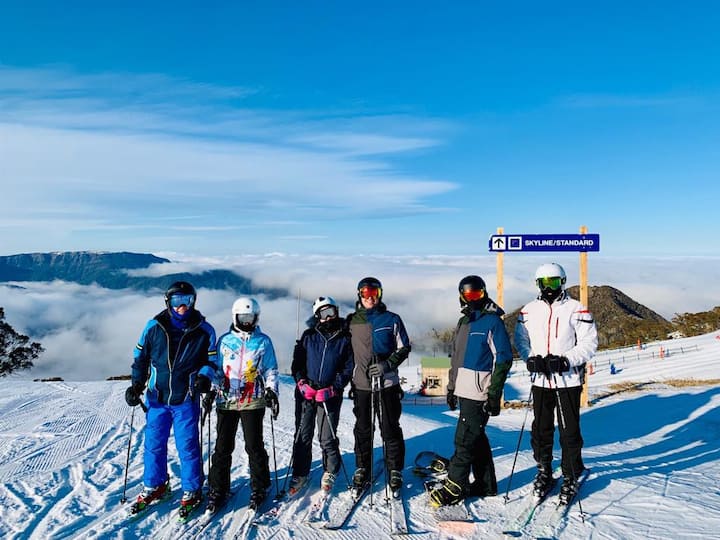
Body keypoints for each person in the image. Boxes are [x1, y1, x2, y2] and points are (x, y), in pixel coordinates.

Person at [125, 281, 218, 518]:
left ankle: (192, 489)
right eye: (177, 302)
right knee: (153, 444)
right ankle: (155, 485)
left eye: (187, 301)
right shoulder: (153, 327)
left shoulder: (204, 330)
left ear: (193, 302)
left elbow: (211, 361)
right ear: (168, 303)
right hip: (157, 398)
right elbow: (140, 357)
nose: (182, 307)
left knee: (187, 445)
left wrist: (205, 377)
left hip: (185, 398)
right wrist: (136, 384)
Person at [514, 263, 598, 504]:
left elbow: (589, 342)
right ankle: (544, 470)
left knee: (569, 430)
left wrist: (565, 361)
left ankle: (571, 473)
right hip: (541, 381)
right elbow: (521, 339)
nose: (549, 288)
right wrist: (530, 359)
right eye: (544, 283)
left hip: (567, 380)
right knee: (541, 429)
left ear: (562, 282)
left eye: (554, 282)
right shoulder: (529, 310)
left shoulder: (576, 309)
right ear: (538, 284)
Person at [429, 275, 513, 507]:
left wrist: (494, 394)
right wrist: (451, 388)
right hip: (464, 391)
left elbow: (504, 359)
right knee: (477, 438)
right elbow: (456, 359)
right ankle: (486, 485)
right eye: (469, 295)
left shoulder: (492, 321)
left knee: (464, 441)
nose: (473, 299)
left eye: (478, 294)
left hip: (480, 393)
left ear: (484, 293)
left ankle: (456, 486)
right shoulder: (463, 323)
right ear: (461, 296)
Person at [205, 296, 280, 511]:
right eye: (243, 317)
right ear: (235, 317)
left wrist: (271, 390)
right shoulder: (225, 341)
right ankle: (218, 487)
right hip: (226, 400)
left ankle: (260, 485)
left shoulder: (263, 341)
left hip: (252, 400)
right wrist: (211, 390)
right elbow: (217, 371)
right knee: (222, 446)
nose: (247, 322)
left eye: (251, 317)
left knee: (254, 445)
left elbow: (270, 369)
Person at [347, 277, 411, 493]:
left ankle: (395, 469)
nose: (370, 297)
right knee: (363, 429)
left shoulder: (392, 319)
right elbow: (347, 354)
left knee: (389, 427)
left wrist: (387, 365)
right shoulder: (352, 321)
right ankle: (362, 467)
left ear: (380, 294)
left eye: (374, 292)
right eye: (365, 293)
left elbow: (404, 348)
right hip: (362, 385)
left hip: (387, 384)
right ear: (359, 295)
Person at [288, 297, 354, 494]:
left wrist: (334, 387)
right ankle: (300, 472)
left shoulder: (344, 338)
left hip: (329, 394)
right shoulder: (309, 336)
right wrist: (301, 383)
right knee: (303, 434)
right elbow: (297, 364)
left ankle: (330, 470)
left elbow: (348, 367)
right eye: (323, 314)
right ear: (317, 316)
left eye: (331, 312)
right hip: (307, 393)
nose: (328, 318)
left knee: (327, 435)